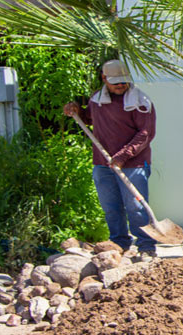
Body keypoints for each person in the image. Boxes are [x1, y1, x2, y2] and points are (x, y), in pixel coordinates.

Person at [63, 59, 157, 258]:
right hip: (102, 163)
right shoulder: (97, 100)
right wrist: (76, 110)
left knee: (136, 207)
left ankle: (146, 246)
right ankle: (119, 243)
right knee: (111, 206)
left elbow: (146, 134)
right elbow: (90, 118)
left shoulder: (140, 102)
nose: (121, 85)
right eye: (116, 82)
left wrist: (123, 156)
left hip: (133, 164)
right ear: (104, 78)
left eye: (123, 81)